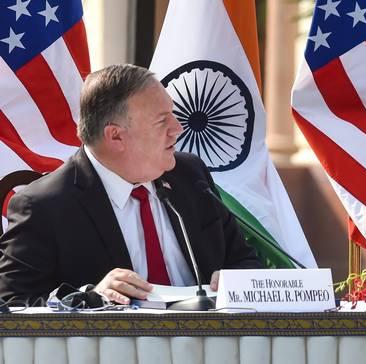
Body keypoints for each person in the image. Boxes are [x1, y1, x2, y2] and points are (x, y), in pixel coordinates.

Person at [0, 64, 262, 305]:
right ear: (115, 136)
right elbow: (11, 304)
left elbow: (245, 260)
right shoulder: (45, 206)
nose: (177, 128)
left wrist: (233, 280)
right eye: (162, 121)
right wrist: (88, 298)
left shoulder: (190, 175)